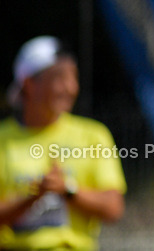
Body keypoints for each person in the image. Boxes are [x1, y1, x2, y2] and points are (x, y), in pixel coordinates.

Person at [0, 36, 125, 250]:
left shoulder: (93, 135)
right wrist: (33, 197)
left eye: (73, 78)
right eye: (59, 78)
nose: (70, 88)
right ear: (29, 84)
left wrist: (67, 189)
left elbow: (113, 208)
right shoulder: (3, 139)